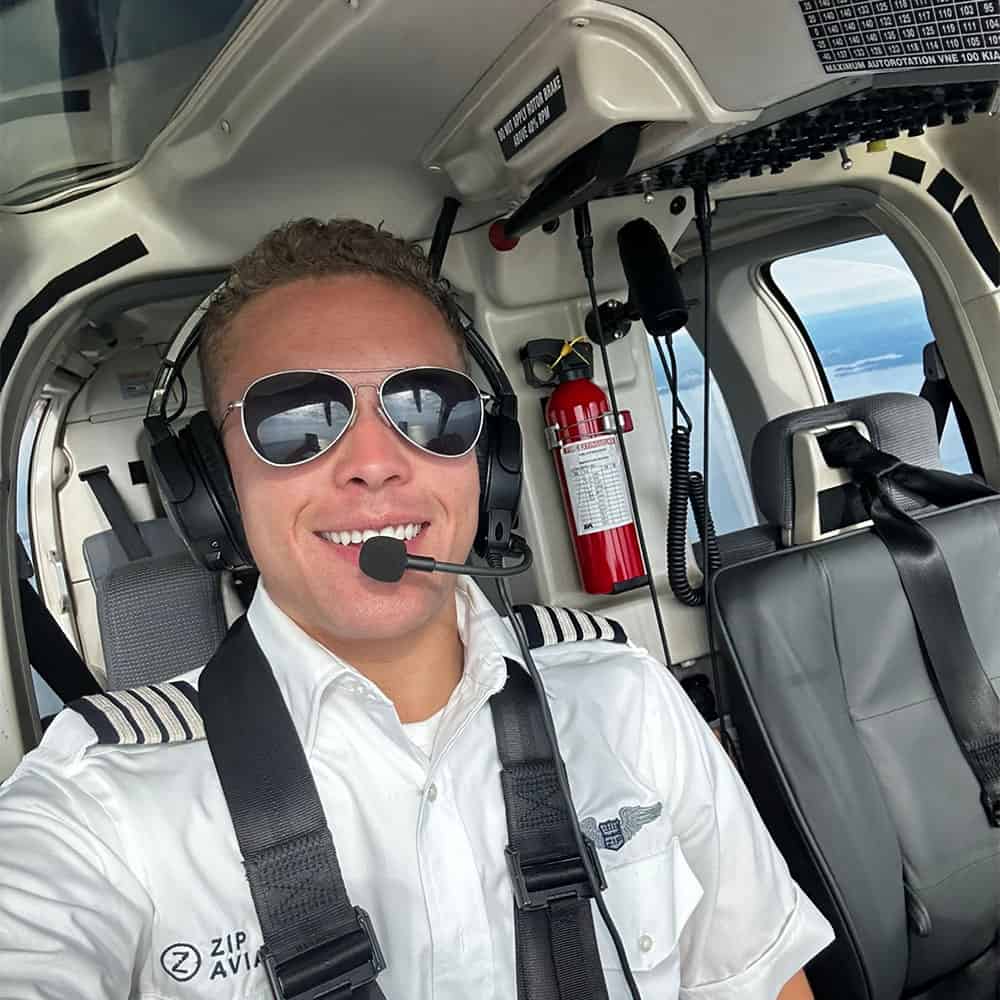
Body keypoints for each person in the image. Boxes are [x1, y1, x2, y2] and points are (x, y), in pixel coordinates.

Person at [0, 218, 833, 999]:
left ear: (490, 459)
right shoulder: (101, 804)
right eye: (295, 420)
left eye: (427, 408)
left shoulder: (624, 699)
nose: (376, 462)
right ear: (210, 489)